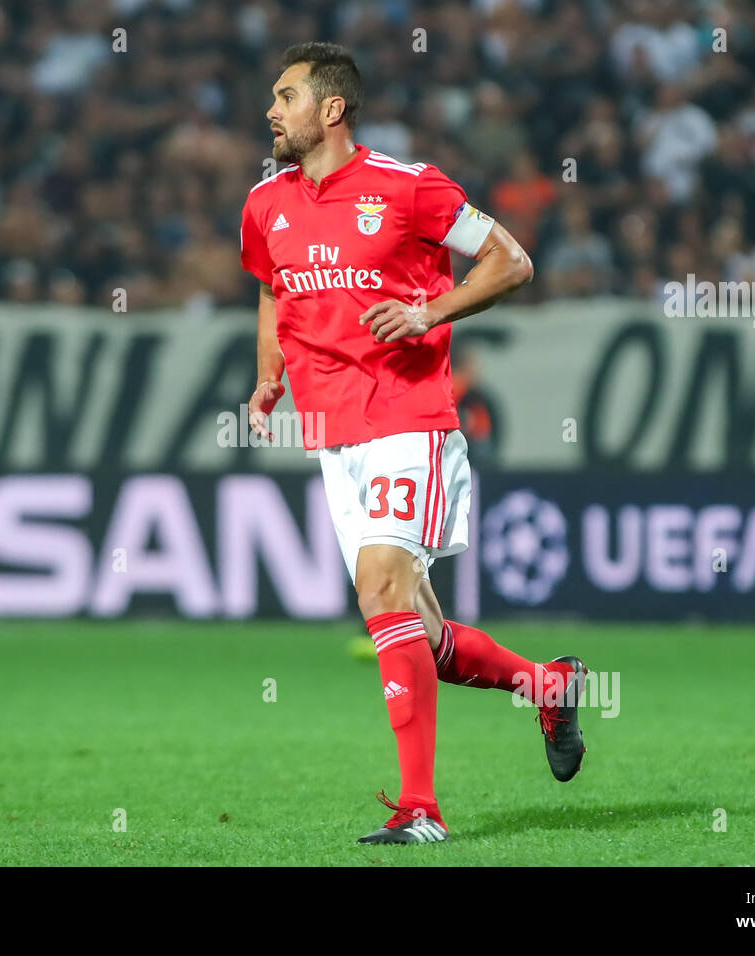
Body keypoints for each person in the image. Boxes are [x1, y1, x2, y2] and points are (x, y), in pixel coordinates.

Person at [240, 42, 587, 845]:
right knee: (416, 635)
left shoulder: (409, 188)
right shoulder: (266, 202)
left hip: (407, 419)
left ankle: (419, 810)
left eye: (284, 97)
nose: (271, 111)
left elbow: (512, 261)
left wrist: (431, 313)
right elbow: (271, 286)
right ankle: (549, 686)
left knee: (381, 588)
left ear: (331, 109)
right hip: (334, 438)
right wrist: (269, 376)